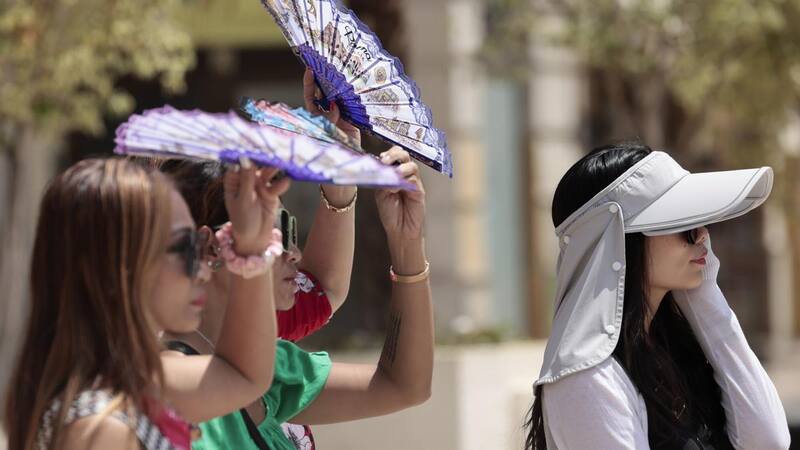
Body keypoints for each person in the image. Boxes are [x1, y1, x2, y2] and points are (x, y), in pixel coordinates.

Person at [5, 157, 288, 450]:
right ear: (122, 264)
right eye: (187, 247)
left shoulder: (126, 381)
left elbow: (244, 376)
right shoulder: (98, 429)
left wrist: (251, 246)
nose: (203, 269)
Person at [162, 145, 432, 450]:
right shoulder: (167, 386)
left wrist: (407, 241)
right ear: (211, 247)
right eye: (275, 228)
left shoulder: (266, 365)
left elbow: (404, 386)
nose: (294, 253)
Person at [525, 143, 791, 449]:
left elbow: (768, 440)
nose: (702, 234)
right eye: (683, 223)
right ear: (619, 242)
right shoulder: (587, 377)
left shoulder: (672, 347)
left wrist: (702, 292)